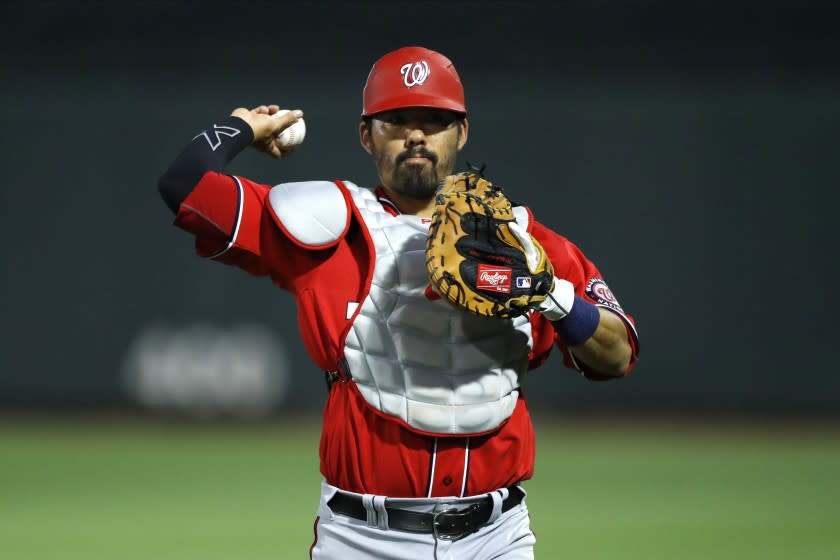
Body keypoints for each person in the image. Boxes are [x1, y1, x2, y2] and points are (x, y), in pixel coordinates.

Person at [158, 46, 638, 559]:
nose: (415, 135)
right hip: (362, 538)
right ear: (367, 135)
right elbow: (183, 185)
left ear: (462, 132)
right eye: (396, 120)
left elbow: (618, 355)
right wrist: (242, 128)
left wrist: (554, 296)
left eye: (433, 120)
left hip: (496, 537)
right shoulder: (326, 225)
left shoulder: (523, 244)